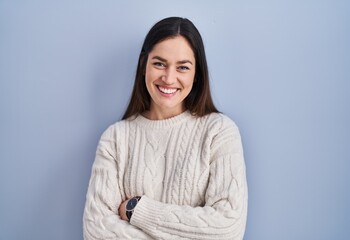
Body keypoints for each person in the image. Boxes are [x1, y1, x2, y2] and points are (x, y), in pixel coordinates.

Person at [83, 16, 248, 239]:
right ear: (144, 66)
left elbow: (227, 229)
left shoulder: (219, 132)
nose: (169, 78)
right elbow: (96, 231)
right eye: (159, 63)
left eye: (183, 67)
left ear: (196, 74)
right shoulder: (115, 138)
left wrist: (136, 209)